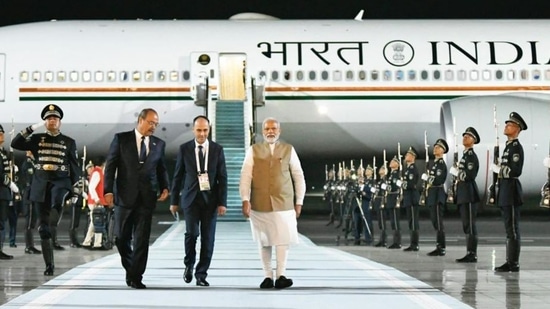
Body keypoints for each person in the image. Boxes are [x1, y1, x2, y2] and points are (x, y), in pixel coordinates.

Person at [103, 108, 170, 289]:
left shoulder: (159, 144)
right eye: (150, 123)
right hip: (124, 197)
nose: (153, 127)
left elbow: (161, 168)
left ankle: (136, 277)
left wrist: (165, 187)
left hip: (147, 198)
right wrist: (107, 190)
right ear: (140, 120)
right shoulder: (121, 139)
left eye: (156, 124)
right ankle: (132, 270)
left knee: (141, 240)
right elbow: (110, 166)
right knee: (120, 238)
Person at [11, 104, 81, 275]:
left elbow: (75, 166)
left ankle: (56, 212)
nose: (52, 121)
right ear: (45, 122)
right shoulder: (37, 139)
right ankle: (49, 264)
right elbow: (16, 143)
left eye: (55, 118)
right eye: (49, 118)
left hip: (60, 182)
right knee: (43, 229)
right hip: (40, 184)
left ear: (60, 122)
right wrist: (31, 128)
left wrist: (76, 187)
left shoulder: (69, 142)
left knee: (57, 199)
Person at [240, 117, 306, 289]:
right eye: (267, 129)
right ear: (263, 132)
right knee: (264, 240)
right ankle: (267, 276)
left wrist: (299, 201)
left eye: (274, 128)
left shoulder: (289, 150)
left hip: (284, 202)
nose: (270, 131)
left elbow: (298, 176)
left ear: (279, 131)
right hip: (259, 203)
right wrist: (245, 199)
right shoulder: (253, 150)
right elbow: (245, 176)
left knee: (283, 239)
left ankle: (281, 275)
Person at [169, 115, 228, 287]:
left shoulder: (217, 150)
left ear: (209, 130)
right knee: (192, 234)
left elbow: (222, 178)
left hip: (210, 201)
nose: (202, 134)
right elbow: (178, 176)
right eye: (199, 130)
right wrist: (174, 201)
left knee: (208, 239)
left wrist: (222, 202)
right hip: (191, 200)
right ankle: (188, 264)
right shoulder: (184, 149)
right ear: (193, 130)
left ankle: (201, 274)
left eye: (205, 130)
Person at [493, 112, 527, 272]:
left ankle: (513, 263)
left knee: (512, 228)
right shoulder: (508, 147)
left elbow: (516, 171)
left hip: (512, 191)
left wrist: (500, 170)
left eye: (510, 124)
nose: (506, 126)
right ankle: (510, 260)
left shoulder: (516, 148)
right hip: (505, 191)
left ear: (517, 128)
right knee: (508, 229)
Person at [452, 127, 481, 263]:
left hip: (469, 193)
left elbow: (469, 175)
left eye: (468, 136)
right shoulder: (464, 156)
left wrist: (457, 173)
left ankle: (472, 253)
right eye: (464, 136)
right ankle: (469, 252)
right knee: (466, 224)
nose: (465, 137)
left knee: (470, 224)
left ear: (473, 141)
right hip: (463, 193)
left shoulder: (471, 156)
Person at [423, 138, 448, 256]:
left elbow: (438, 180)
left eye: (438, 147)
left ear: (443, 150)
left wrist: (427, 178)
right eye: (435, 147)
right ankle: (439, 245)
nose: (435, 149)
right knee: (435, 222)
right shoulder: (435, 164)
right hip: (433, 195)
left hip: (438, 195)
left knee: (438, 222)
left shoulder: (441, 164)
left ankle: (441, 247)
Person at [1, 124, 19, 260]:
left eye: (2, 133)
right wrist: (10, 183)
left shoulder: (2, 152)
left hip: (3, 193)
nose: (2, 136)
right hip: (1, 193)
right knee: (1, 223)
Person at [83, 157, 108, 249]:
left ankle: (87, 242)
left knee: (94, 223)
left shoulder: (98, 172)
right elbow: (92, 187)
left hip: (94, 201)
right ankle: (97, 243)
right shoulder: (97, 172)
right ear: (103, 164)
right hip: (95, 202)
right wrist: (97, 199)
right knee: (98, 221)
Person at [20, 151, 41, 254]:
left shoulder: (34, 162)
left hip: (34, 195)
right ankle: (28, 246)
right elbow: (30, 180)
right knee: (29, 222)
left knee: (32, 222)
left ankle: (31, 245)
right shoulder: (28, 164)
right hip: (30, 196)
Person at [402, 146, 420, 252]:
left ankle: (415, 244)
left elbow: (411, 183)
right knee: (410, 221)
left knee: (413, 221)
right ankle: (412, 243)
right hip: (409, 197)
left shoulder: (413, 169)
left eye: (408, 155)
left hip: (412, 197)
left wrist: (403, 184)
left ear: (413, 157)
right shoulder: (408, 169)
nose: (405, 156)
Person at [353, 166, 374, 245]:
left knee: (367, 222)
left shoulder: (369, 183)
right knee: (357, 222)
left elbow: (370, 194)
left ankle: (368, 238)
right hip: (357, 205)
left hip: (365, 204)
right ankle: (357, 238)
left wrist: (364, 193)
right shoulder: (356, 183)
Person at [386, 156, 402, 249]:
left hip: (394, 197)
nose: (391, 162)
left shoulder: (396, 174)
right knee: (393, 221)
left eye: (394, 161)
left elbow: (396, 186)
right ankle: (395, 241)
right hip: (390, 198)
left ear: (397, 165)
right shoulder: (391, 174)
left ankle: (397, 242)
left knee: (395, 221)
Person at [373, 166, 388, 247]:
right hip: (378, 201)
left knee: (382, 221)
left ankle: (384, 240)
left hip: (382, 201)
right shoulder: (379, 181)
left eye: (382, 169)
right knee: (380, 222)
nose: (380, 170)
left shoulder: (385, 180)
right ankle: (382, 239)